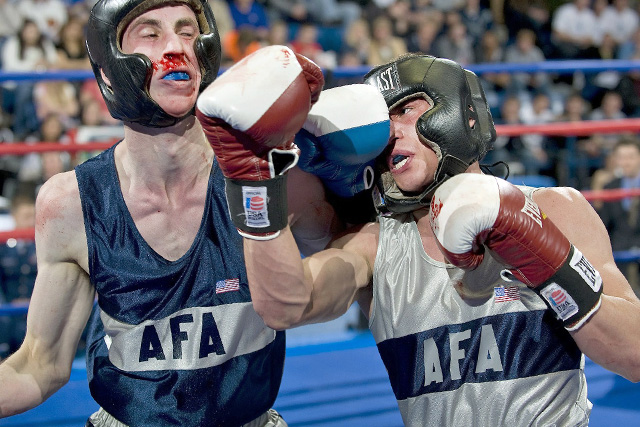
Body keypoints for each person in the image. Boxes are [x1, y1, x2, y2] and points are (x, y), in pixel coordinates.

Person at [203, 53, 640, 426]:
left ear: (460, 114)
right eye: (383, 120)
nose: (392, 131)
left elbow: (633, 355)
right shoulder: (374, 244)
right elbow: (286, 303)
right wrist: (254, 177)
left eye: (408, 110)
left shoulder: (553, 208)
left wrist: (544, 254)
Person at [0, 0, 330, 425]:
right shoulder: (72, 204)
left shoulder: (269, 175)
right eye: (150, 34)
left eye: (189, 31)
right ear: (108, 68)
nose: (177, 47)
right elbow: (37, 365)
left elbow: (356, 268)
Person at [596, 136, 640, 295]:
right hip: (619, 249)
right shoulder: (609, 186)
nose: (626, 162)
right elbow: (604, 225)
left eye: (631, 157)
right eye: (621, 157)